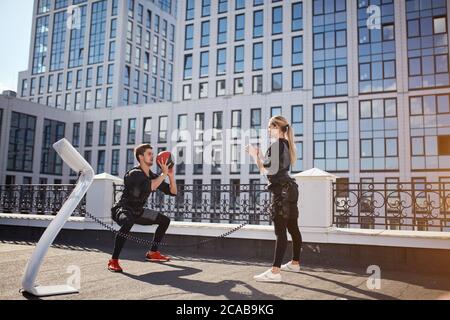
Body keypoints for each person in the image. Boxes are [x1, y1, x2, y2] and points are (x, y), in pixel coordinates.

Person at [245, 116, 302, 282]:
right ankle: (295, 263)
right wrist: (260, 154)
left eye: (271, 126)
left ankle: (275, 272)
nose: (269, 130)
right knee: (293, 228)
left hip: (281, 193)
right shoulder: (285, 145)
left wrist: (254, 156)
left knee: (281, 231)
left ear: (279, 127)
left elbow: (267, 172)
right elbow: (273, 167)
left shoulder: (276, 145)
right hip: (291, 190)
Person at [107, 143, 177, 273]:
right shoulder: (134, 173)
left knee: (164, 221)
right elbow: (150, 186)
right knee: (128, 221)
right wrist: (163, 174)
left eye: (153, 154)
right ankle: (113, 260)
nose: (153, 157)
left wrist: (170, 176)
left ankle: (153, 252)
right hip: (123, 209)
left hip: (138, 211)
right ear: (140, 157)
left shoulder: (152, 175)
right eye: (149, 154)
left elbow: (173, 192)